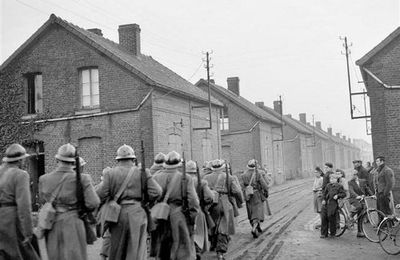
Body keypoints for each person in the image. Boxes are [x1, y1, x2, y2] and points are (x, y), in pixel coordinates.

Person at [97, 144, 162, 260]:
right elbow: (157, 192)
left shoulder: (110, 173)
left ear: (118, 160)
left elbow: (100, 195)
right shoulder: (143, 172)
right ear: (133, 159)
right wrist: (145, 200)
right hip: (138, 213)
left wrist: (111, 200)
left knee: (117, 250)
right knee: (136, 251)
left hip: (117, 215)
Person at [38, 143, 100, 260]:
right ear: (73, 161)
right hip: (74, 222)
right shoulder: (83, 178)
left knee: (55, 256)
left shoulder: (44, 179)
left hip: (51, 223)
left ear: (57, 159)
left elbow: (42, 200)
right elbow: (94, 202)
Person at [152, 151, 200, 260]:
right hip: (179, 215)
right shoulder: (186, 178)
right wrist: (192, 218)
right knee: (182, 249)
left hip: (161, 215)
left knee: (162, 247)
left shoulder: (156, 177)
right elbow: (193, 201)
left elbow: (151, 197)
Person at [0, 143, 39, 260]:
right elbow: (24, 205)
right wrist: (28, 231)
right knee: (26, 254)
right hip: (12, 219)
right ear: (20, 160)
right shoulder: (21, 175)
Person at [203, 159, 242, 260]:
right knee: (223, 228)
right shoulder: (229, 177)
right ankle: (220, 251)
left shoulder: (206, 177)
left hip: (211, 204)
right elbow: (236, 191)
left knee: (213, 224)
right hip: (225, 203)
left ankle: (213, 243)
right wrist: (240, 201)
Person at [186, 160, 214, 260]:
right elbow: (209, 197)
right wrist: (205, 205)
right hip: (198, 211)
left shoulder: (182, 181)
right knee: (199, 235)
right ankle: (196, 251)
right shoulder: (201, 182)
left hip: (184, 213)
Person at [239, 159, 270, 238]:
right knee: (257, 212)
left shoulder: (243, 175)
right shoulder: (258, 174)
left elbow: (241, 187)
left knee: (251, 211)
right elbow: (264, 184)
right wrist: (266, 190)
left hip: (248, 195)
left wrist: (245, 194)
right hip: (257, 194)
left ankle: (256, 227)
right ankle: (255, 227)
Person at [320, 173, 346, 238]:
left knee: (331, 217)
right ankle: (324, 233)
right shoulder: (328, 186)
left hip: (333, 204)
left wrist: (338, 195)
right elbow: (324, 193)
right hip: (326, 203)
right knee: (323, 217)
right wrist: (323, 199)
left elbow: (343, 194)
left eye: (333, 179)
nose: (331, 180)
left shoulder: (339, 186)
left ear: (336, 179)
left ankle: (332, 233)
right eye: (330, 179)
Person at [348, 169, 372, 238]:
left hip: (362, 199)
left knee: (361, 215)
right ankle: (351, 216)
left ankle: (359, 232)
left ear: (356, 175)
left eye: (353, 175)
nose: (351, 176)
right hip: (354, 199)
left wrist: (372, 195)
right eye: (351, 175)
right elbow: (351, 191)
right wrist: (357, 196)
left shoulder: (362, 181)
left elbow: (367, 189)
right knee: (359, 207)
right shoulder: (350, 182)